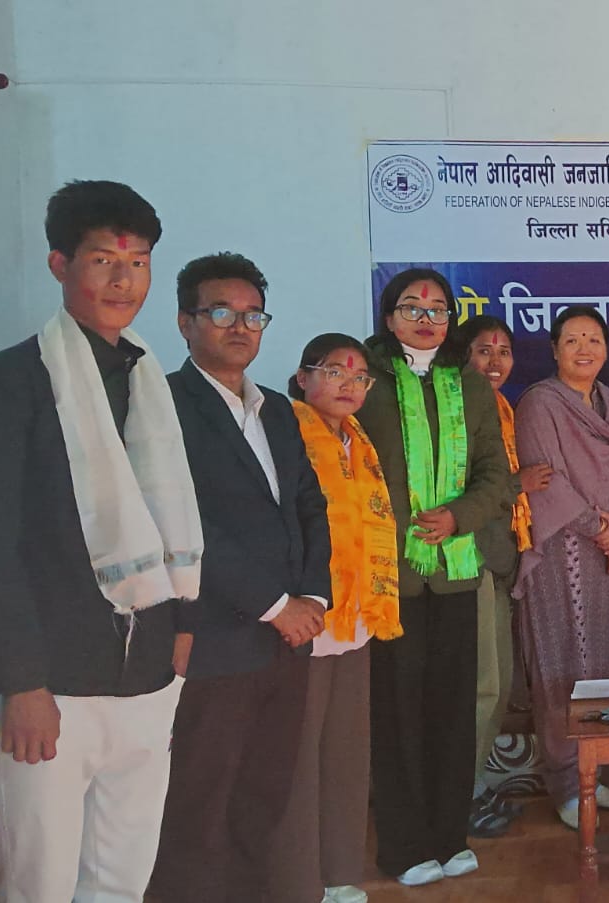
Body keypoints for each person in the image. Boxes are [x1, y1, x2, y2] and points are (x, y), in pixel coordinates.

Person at [0, 180, 199, 903]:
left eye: (138, 262)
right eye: (103, 261)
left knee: (123, 874)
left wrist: (181, 628)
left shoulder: (151, 381)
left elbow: (179, 519)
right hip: (51, 681)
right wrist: (21, 681)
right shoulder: (9, 383)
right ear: (60, 264)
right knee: (43, 880)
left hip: (147, 673)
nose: (124, 281)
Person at [150, 252, 333, 903]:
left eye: (254, 315)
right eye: (223, 313)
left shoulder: (277, 409)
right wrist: (276, 604)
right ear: (185, 322)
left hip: (286, 643)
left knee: (264, 796)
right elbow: (183, 522)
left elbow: (309, 504)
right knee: (199, 802)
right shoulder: (163, 405)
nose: (241, 327)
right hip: (215, 640)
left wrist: (313, 596)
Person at [357, 268, 511, 887]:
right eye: (412, 307)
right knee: (396, 711)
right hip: (390, 574)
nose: (426, 318)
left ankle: (449, 836)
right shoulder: (365, 379)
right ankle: (402, 847)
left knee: (452, 707)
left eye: (439, 308)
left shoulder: (468, 383)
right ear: (388, 316)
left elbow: (496, 474)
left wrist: (458, 517)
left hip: (455, 570)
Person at [267, 334, 402, 903]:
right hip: (307, 616)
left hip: (358, 615)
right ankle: (298, 883)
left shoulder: (360, 440)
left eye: (359, 377)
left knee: (345, 752)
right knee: (298, 758)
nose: (349, 385)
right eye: (334, 373)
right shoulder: (284, 431)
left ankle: (340, 872)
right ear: (303, 379)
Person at [512, 306, 609, 829]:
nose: (584, 349)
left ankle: (601, 774)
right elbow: (547, 482)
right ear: (554, 350)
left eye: (593, 339)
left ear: (607, 349)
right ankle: (567, 785)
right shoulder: (539, 404)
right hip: (561, 551)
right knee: (562, 666)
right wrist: (602, 529)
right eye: (572, 340)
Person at [456, 314, 552, 837]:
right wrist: (518, 483)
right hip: (468, 559)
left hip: (499, 559)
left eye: (504, 351)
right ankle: (459, 795)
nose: (495, 361)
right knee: (480, 685)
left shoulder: (503, 407)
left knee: (497, 683)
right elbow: (462, 489)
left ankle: (472, 784)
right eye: (483, 351)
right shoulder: (457, 410)